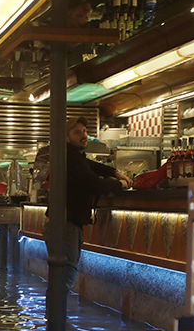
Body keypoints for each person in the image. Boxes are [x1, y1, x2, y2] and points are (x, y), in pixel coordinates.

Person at [43, 116, 131, 296]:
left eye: (84, 131)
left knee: (60, 278)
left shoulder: (71, 155)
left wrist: (115, 172)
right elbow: (95, 184)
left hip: (61, 224)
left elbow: (93, 166)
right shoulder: (70, 157)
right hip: (66, 226)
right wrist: (120, 184)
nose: (83, 135)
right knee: (65, 277)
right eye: (77, 132)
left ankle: (54, 320)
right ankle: (56, 321)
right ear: (66, 138)